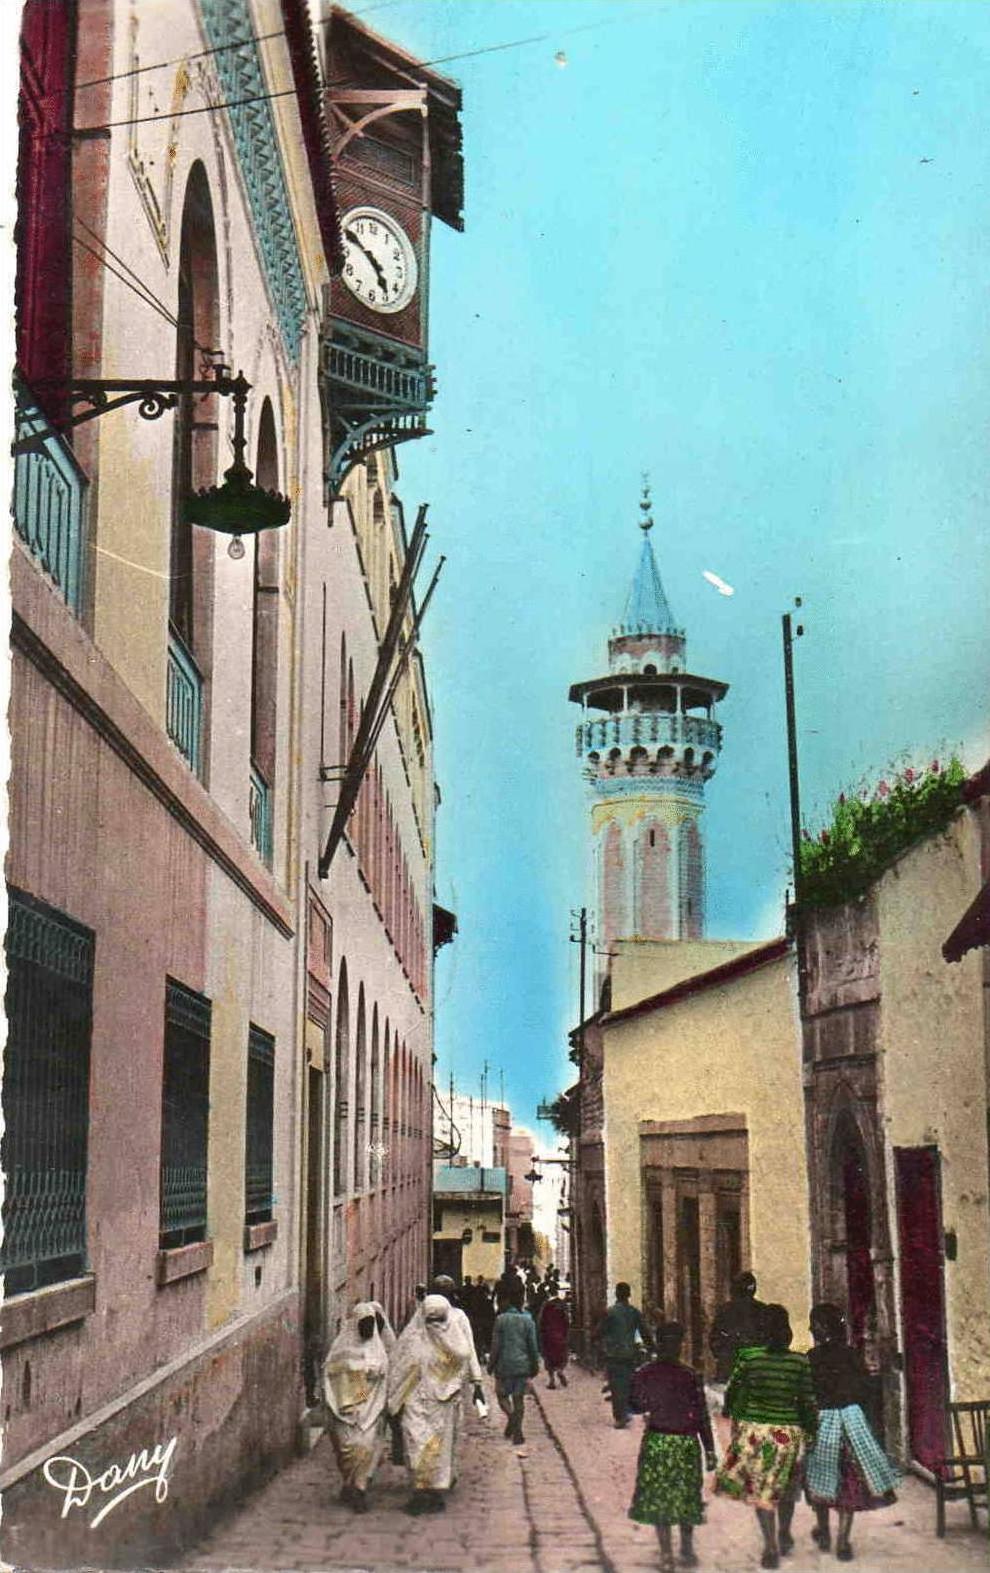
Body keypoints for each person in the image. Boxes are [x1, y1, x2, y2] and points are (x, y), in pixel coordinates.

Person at [715, 1304, 817, 1570]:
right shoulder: (799, 1362)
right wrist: (811, 1430)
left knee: (763, 1489)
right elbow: (807, 1401)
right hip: (787, 1433)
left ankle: (770, 1543)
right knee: (786, 1489)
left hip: (756, 1433)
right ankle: (784, 1532)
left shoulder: (749, 1357)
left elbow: (733, 1391)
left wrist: (731, 1414)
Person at [803, 1303, 899, 1561]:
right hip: (851, 1421)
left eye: (814, 1325)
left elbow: (807, 1394)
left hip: (823, 1422)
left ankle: (823, 1531)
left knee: (820, 1477)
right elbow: (865, 1389)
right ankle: (843, 1541)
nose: (811, 1329)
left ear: (821, 1329)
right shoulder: (852, 1355)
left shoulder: (811, 1357)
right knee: (849, 1483)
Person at [628, 1322, 717, 1573]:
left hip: (658, 1440)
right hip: (686, 1442)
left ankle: (667, 1554)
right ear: (680, 1346)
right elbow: (702, 1415)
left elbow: (634, 1406)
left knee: (660, 1499)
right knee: (688, 1495)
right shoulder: (690, 1375)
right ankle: (686, 1548)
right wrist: (709, 1449)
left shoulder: (644, 1373)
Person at [387, 1293, 486, 1515]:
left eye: (440, 1320)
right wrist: (390, 1403)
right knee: (415, 1444)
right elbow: (396, 1372)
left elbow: (465, 1361)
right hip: (415, 1402)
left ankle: (432, 1493)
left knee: (438, 1449)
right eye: (432, 1321)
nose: (437, 1326)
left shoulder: (456, 1344)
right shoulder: (411, 1342)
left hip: (443, 1406)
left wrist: (474, 1384)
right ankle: (420, 1491)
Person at [323, 1302, 391, 1512]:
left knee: (365, 1447)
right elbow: (330, 1378)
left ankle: (360, 1489)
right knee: (346, 1449)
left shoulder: (378, 1352)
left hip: (369, 1410)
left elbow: (379, 1384)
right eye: (364, 1323)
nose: (368, 1328)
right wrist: (344, 1399)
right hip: (342, 1410)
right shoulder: (339, 1351)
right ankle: (348, 1483)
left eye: (371, 1324)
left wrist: (361, 1396)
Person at [489, 1281, 539, 1443]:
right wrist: (535, 1365)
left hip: (504, 1366)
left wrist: (490, 1365)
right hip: (522, 1366)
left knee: (502, 1396)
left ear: (506, 1301)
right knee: (519, 1399)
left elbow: (495, 1346)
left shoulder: (501, 1320)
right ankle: (518, 1430)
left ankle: (512, 1419)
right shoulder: (528, 1320)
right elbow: (533, 1346)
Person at [598, 1282, 651, 1428]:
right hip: (630, 1354)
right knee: (628, 1383)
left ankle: (620, 1416)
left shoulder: (610, 1312)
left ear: (616, 1294)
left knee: (616, 1385)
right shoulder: (634, 1312)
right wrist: (652, 1348)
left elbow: (599, 1332)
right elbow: (645, 1332)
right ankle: (625, 1411)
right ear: (629, 1295)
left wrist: (601, 1345)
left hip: (613, 1354)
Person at [709, 1272, 768, 1385]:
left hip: (729, 1369)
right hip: (757, 1370)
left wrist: (723, 1355)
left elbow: (714, 1340)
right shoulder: (763, 1310)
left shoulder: (725, 1310)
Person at [538, 1289, 570, 1389]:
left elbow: (540, 1320)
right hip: (560, 1334)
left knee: (549, 1357)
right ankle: (560, 1370)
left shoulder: (546, 1305)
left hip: (548, 1335)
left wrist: (541, 1333)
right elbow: (567, 1320)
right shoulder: (562, 1304)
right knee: (561, 1355)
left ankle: (551, 1380)